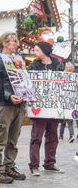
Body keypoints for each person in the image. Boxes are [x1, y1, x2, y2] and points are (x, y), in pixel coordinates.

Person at [0, 32, 26, 184]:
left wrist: (29, 94)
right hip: (5, 105)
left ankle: (10, 166)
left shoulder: (17, 60)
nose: (17, 44)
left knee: (13, 140)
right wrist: (8, 95)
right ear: (4, 43)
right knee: (0, 138)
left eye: (16, 41)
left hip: (19, 104)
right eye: (14, 41)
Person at [27, 42, 65, 176]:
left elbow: (62, 81)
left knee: (52, 137)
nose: (34, 52)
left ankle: (50, 163)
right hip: (39, 107)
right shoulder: (33, 65)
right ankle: (34, 165)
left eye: (37, 50)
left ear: (44, 50)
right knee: (36, 137)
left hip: (54, 107)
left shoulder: (58, 63)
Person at [59, 62, 75, 142]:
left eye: (69, 67)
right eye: (66, 67)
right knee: (63, 121)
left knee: (70, 120)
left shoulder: (75, 77)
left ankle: (71, 135)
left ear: (72, 68)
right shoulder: (62, 76)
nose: (67, 68)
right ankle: (61, 136)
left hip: (72, 102)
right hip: (63, 102)